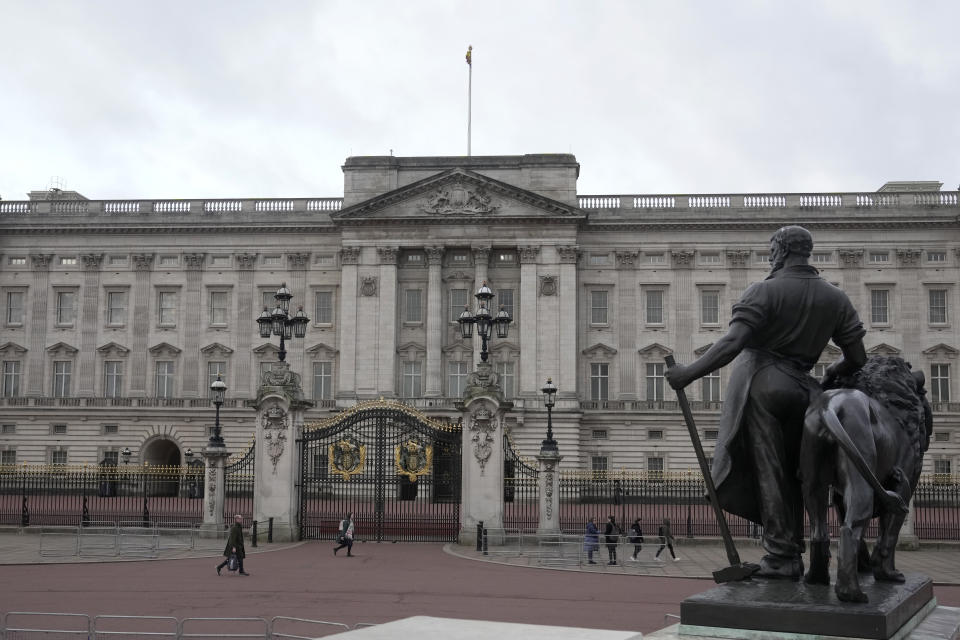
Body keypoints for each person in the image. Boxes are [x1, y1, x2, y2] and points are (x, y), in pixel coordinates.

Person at [665, 226, 866, 579]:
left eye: (773, 249)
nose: (771, 256)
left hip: (763, 384)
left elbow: (733, 343)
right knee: (804, 474)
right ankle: (819, 544)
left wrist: (688, 374)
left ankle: (782, 556)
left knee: (771, 471)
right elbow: (858, 358)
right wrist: (832, 370)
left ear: (783, 251)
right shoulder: (836, 298)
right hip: (808, 391)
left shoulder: (763, 290)